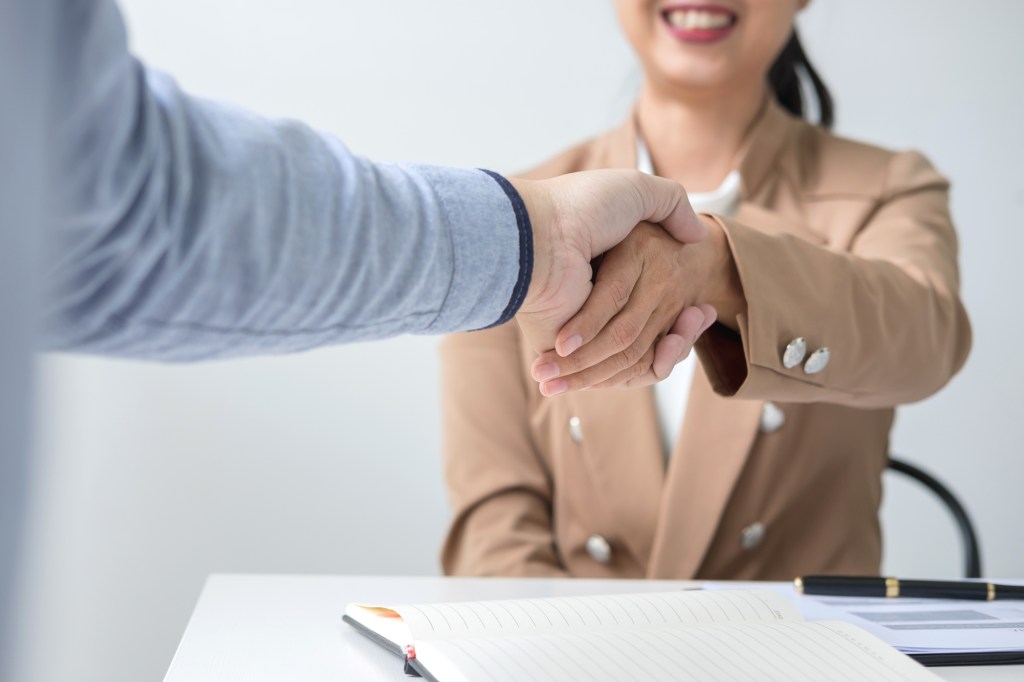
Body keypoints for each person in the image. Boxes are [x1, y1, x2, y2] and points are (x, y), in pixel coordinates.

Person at [0, 0, 716, 668]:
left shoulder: (544, 214)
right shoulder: (539, 196)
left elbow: (120, 199)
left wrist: (533, 239)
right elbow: (128, 200)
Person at [440, 0, 972, 581]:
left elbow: (927, 337)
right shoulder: (519, 213)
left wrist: (720, 265)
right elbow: (495, 523)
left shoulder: (887, 188)